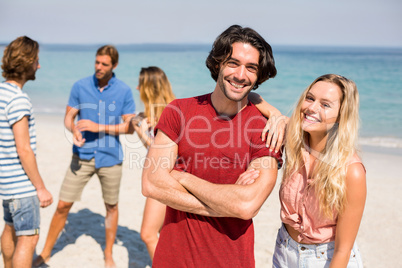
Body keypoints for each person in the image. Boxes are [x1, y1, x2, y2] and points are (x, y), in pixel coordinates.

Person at [142, 25, 283, 267]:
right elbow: (152, 183)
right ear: (217, 64)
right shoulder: (178, 111)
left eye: (251, 68)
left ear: (259, 76)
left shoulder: (265, 129)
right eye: (233, 63)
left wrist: (182, 178)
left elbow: (247, 204)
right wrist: (226, 206)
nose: (240, 75)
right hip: (171, 259)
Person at [33, 45, 136, 268]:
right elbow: (68, 118)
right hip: (82, 155)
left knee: (111, 207)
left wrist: (97, 126)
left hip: (111, 157)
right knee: (62, 205)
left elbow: (129, 127)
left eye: (104, 64)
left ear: (114, 66)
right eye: (97, 62)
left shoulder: (124, 91)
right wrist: (74, 130)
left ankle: (108, 254)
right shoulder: (79, 86)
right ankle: (46, 252)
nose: (99, 67)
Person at [272, 74, 366, 267]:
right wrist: (279, 118)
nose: (311, 108)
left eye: (325, 104)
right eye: (310, 98)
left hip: (325, 259)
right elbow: (258, 102)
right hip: (284, 251)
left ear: (341, 115)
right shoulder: (295, 142)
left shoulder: (352, 172)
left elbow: (343, 250)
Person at [0, 36, 53, 268]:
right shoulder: (18, 99)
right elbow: (24, 149)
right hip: (21, 185)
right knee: (28, 238)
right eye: (37, 61)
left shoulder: (2, 93)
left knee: (10, 229)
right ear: (27, 62)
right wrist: (40, 188)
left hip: (6, 182)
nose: (39, 66)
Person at [134, 66, 176, 261]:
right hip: (164, 179)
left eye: (140, 84)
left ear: (149, 88)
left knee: (148, 234)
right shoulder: (156, 115)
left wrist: (144, 134)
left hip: (165, 180)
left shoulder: (170, 114)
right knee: (165, 235)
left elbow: (167, 155)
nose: (136, 88)